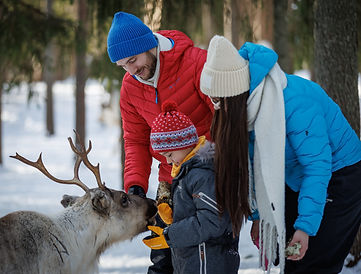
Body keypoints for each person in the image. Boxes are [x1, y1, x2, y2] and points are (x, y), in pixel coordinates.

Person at [199, 35, 361, 274]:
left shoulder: (293, 102)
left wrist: (305, 228)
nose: (215, 107)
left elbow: (317, 167)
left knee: (311, 263)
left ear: (234, 94)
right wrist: (258, 217)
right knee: (286, 256)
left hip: (340, 175)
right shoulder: (246, 109)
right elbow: (252, 166)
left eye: (218, 100)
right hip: (295, 176)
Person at [107, 12, 213, 273]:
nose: (132, 71)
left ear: (150, 44)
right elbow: (135, 141)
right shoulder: (130, 86)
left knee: (202, 257)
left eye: (133, 60)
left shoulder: (196, 63)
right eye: (123, 65)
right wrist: (135, 187)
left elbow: (226, 119)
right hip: (170, 181)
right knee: (162, 259)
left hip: (208, 176)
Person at [142, 100, 240, 274]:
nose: (168, 161)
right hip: (194, 261)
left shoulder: (202, 174)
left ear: (184, 144)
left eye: (170, 154)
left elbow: (211, 220)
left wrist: (171, 235)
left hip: (208, 262)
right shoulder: (187, 172)